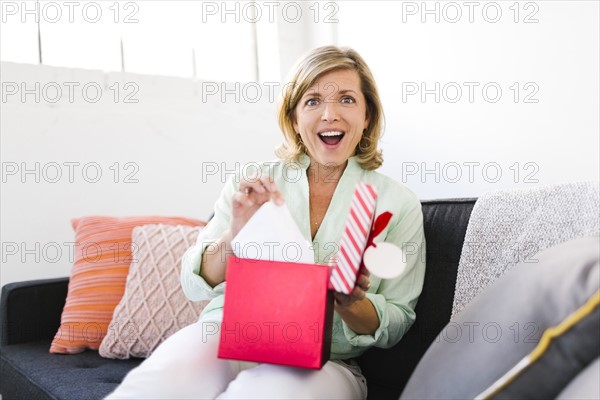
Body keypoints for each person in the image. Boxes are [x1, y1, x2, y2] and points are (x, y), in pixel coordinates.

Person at [106, 45, 426, 399]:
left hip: (326, 363)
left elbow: (397, 321)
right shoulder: (253, 182)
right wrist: (235, 235)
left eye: (347, 100)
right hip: (227, 333)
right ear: (293, 118)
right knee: (157, 384)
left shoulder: (397, 204)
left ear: (367, 116)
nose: (330, 114)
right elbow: (193, 284)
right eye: (313, 100)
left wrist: (351, 304)